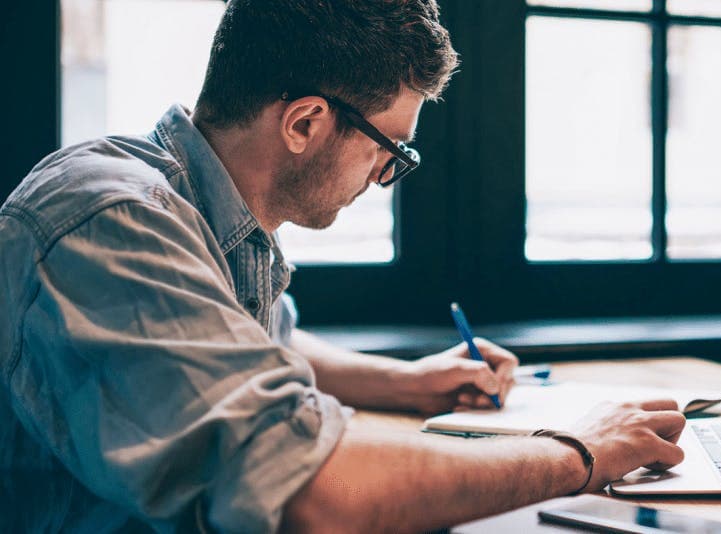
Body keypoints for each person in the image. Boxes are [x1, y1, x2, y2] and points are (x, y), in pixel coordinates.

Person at [0, 1, 686, 531]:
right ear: (304, 123)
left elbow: (250, 344)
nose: (387, 175)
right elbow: (312, 494)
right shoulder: (111, 220)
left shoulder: (203, 209)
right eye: (392, 150)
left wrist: (407, 383)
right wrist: (580, 452)